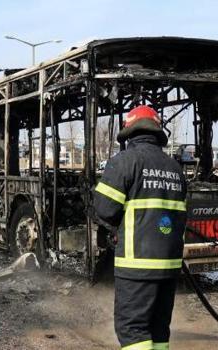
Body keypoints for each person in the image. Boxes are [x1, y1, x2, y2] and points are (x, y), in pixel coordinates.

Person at [93, 105, 187, 350]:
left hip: (137, 265)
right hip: (169, 266)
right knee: (158, 330)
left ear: (129, 132)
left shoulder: (124, 162)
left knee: (133, 330)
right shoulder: (175, 168)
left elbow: (104, 209)